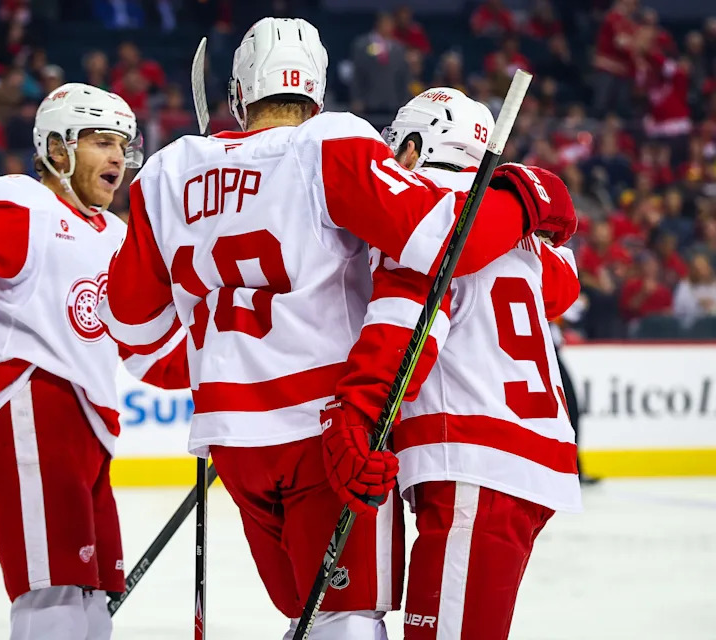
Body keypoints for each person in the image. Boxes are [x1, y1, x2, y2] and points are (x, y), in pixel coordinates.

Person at [98, 18, 576, 640]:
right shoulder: (333, 143)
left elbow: (134, 334)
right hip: (327, 431)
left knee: (303, 610)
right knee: (346, 617)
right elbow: (438, 243)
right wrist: (527, 196)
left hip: (231, 439)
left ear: (241, 94)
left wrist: (225, 359)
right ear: (317, 93)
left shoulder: (166, 171)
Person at [0, 83, 185, 640]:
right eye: (102, 142)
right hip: (22, 403)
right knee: (51, 592)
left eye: (123, 144)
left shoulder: (121, 238)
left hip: (86, 430)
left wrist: (224, 369)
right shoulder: (23, 203)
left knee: (92, 596)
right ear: (57, 150)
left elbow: (148, 347)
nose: (118, 157)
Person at [370, 87, 581, 640]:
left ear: (415, 146)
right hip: (524, 462)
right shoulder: (515, 221)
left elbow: (402, 322)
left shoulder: (423, 211)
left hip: (473, 458)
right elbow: (563, 288)